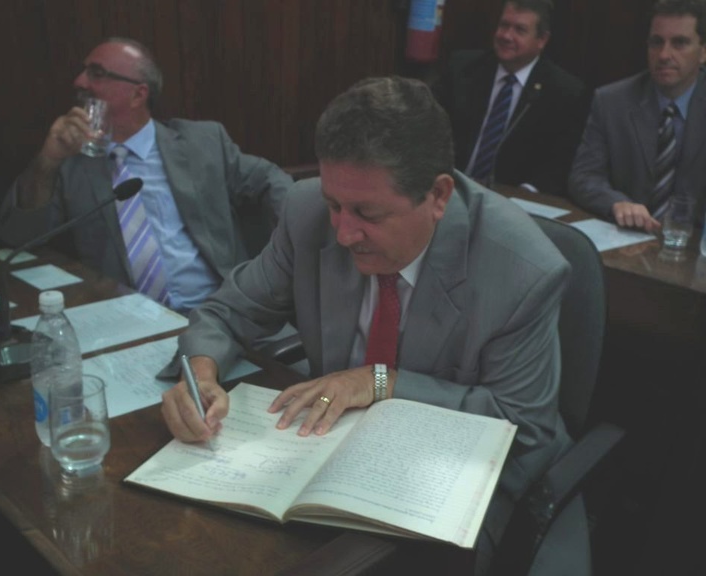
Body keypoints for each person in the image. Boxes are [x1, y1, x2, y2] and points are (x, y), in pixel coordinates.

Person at [161, 76, 588, 575]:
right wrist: (200, 374)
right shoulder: (305, 212)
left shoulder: (521, 271)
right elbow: (227, 311)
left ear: (438, 195)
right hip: (331, 459)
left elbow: (521, 423)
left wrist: (380, 381)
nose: (344, 233)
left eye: (367, 213)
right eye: (335, 205)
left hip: (465, 480)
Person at [0, 37, 293, 315]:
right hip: (128, 319)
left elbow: (271, 180)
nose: (80, 82)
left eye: (96, 73)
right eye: (83, 71)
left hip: (221, 309)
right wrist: (48, 159)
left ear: (138, 94)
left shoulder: (202, 142)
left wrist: (303, 232)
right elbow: (18, 237)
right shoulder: (71, 162)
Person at [568, 0, 706, 233]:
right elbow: (584, 176)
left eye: (679, 43)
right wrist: (616, 203)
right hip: (626, 239)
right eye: (656, 42)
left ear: (703, 52)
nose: (664, 55)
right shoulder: (612, 101)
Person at [431, 0, 587, 196]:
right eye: (504, 25)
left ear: (542, 40)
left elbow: (558, 165)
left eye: (519, 30)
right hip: (450, 188)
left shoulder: (564, 92)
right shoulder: (463, 68)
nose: (506, 36)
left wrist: (522, 196)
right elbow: (430, 126)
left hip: (513, 200)